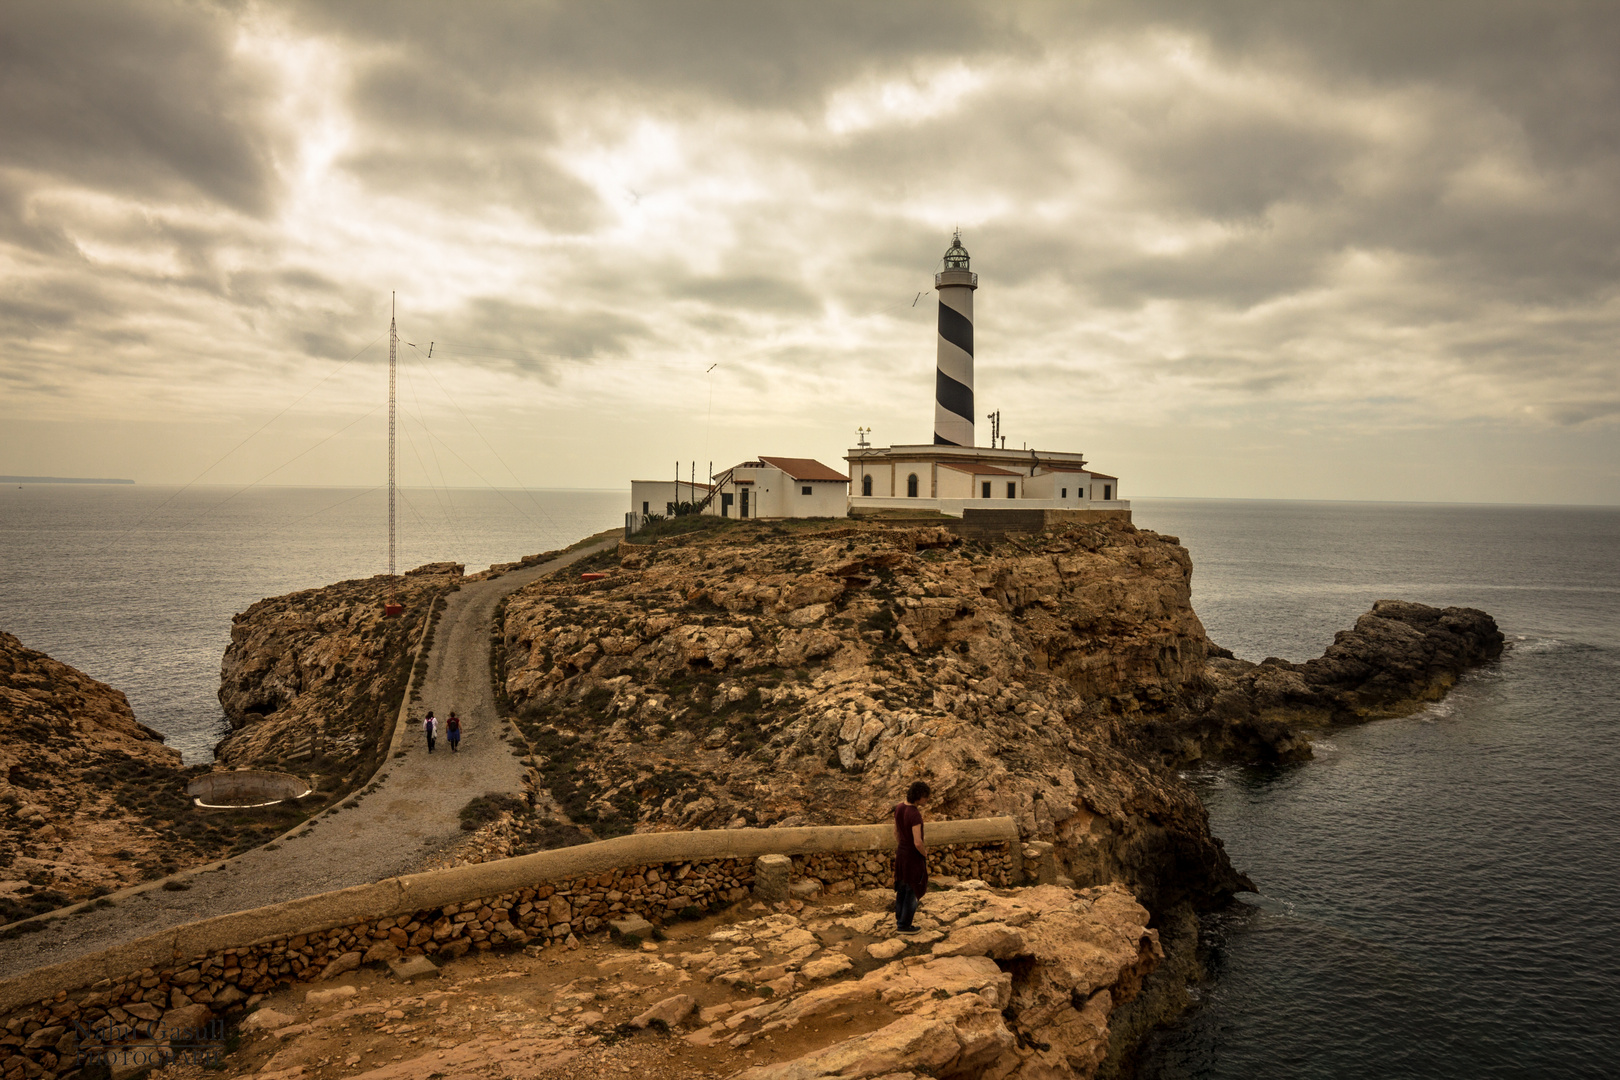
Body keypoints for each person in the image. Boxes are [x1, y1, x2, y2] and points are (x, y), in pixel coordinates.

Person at [893, 780, 930, 933]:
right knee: (912, 889)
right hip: (912, 856)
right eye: (926, 797)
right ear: (919, 796)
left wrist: (902, 846)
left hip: (901, 853)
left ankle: (900, 920)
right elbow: (918, 842)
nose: (927, 800)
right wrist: (925, 854)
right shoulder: (914, 814)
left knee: (902, 888)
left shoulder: (899, 807)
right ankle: (905, 925)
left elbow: (896, 832)